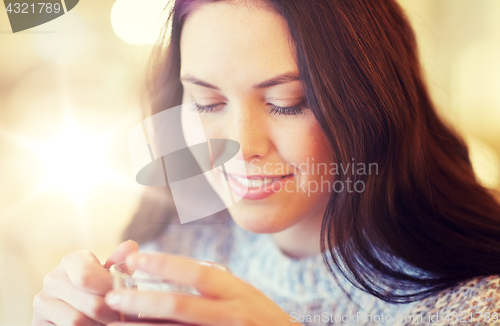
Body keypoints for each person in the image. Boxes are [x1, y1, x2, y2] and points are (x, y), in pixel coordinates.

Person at [32, 0, 500, 325]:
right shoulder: (176, 245)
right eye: (206, 103)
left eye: (287, 102)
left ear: (370, 104)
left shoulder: (473, 302)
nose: (241, 145)